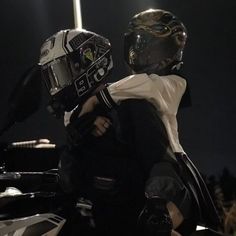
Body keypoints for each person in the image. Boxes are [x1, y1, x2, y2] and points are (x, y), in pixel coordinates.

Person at [39, 9, 220, 236]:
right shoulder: (101, 109)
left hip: (171, 181)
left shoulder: (155, 91)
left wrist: (96, 101)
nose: (142, 55)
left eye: (153, 49)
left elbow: (141, 87)